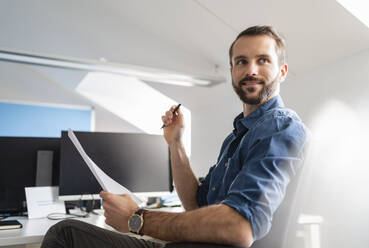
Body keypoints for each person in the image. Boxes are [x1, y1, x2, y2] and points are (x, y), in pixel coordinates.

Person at [41, 25, 308, 248]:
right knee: (68, 233)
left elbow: (239, 227)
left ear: (282, 71)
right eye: (241, 61)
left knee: (65, 236)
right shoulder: (237, 136)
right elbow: (195, 205)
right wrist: (176, 143)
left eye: (263, 60)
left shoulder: (279, 127)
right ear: (232, 72)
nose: (251, 70)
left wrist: (138, 218)